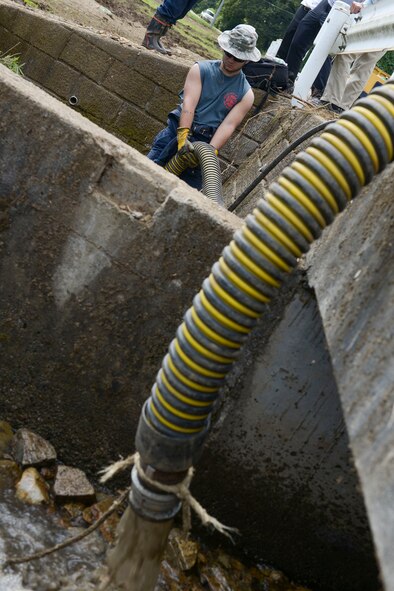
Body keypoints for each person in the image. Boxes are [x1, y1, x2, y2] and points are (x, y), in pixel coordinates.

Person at [147, 24, 261, 190]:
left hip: (202, 146)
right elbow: (189, 105)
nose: (231, 60)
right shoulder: (200, 69)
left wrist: (210, 151)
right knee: (147, 175)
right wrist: (182, 137)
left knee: (181, 195)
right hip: (176, 134)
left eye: (237, 58)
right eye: (229, 54)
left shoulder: (246, 94)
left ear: (247, 60)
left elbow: (228, 125)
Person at [319, 0, 386, 111]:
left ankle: (332, 100)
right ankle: (342, 106)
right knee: (365, 66)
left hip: (376, 16)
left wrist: (365, 5)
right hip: (389, 28)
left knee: (345, 53)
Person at [285, 0, 364, 94]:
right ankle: (288, 80)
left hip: (346, 10)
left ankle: (318, 92)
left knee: (326, 51)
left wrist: (363, 5)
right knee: (299, 40)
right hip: (327, 3)